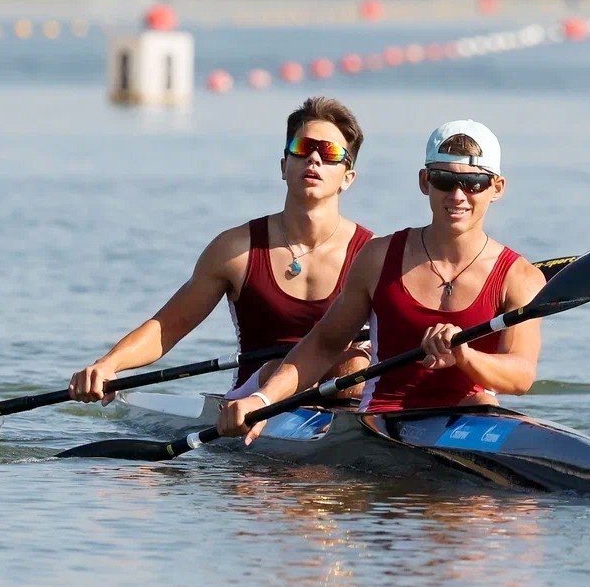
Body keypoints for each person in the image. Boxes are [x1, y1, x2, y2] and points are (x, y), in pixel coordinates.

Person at [217, 118, 546, 444]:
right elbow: (322, 346)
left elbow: (520, 376)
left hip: (468, 424)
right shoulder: (378, 258)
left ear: (497, 188)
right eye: (444, 180)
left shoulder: (519, 277)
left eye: (474, 183)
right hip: (380, 427)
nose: (458, 196)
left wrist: (465, 357)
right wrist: (262, 400)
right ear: (424, 181)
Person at [69, 96, 375, 404]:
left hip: (341, 392)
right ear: (284, 166)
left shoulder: (374, 255)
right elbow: (168, 327)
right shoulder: (236, 251)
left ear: (347, 178)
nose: (314, 159)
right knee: (281, 369)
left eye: (330, 152)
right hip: (252, 398)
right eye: (302, 148)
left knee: (355, 365)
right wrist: (109, 364)